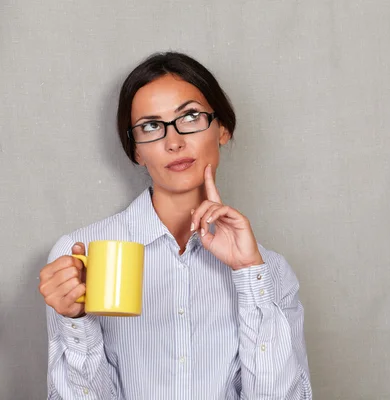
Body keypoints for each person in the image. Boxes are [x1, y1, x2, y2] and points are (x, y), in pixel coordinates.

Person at [38, 52, 312, 399]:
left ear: (222, 128)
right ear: (136, 149)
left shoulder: (269, 272)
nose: (174, 141)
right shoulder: (82, 254)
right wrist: (75, 322)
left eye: (191, 116)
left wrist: (248, 274)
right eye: (151, 126)